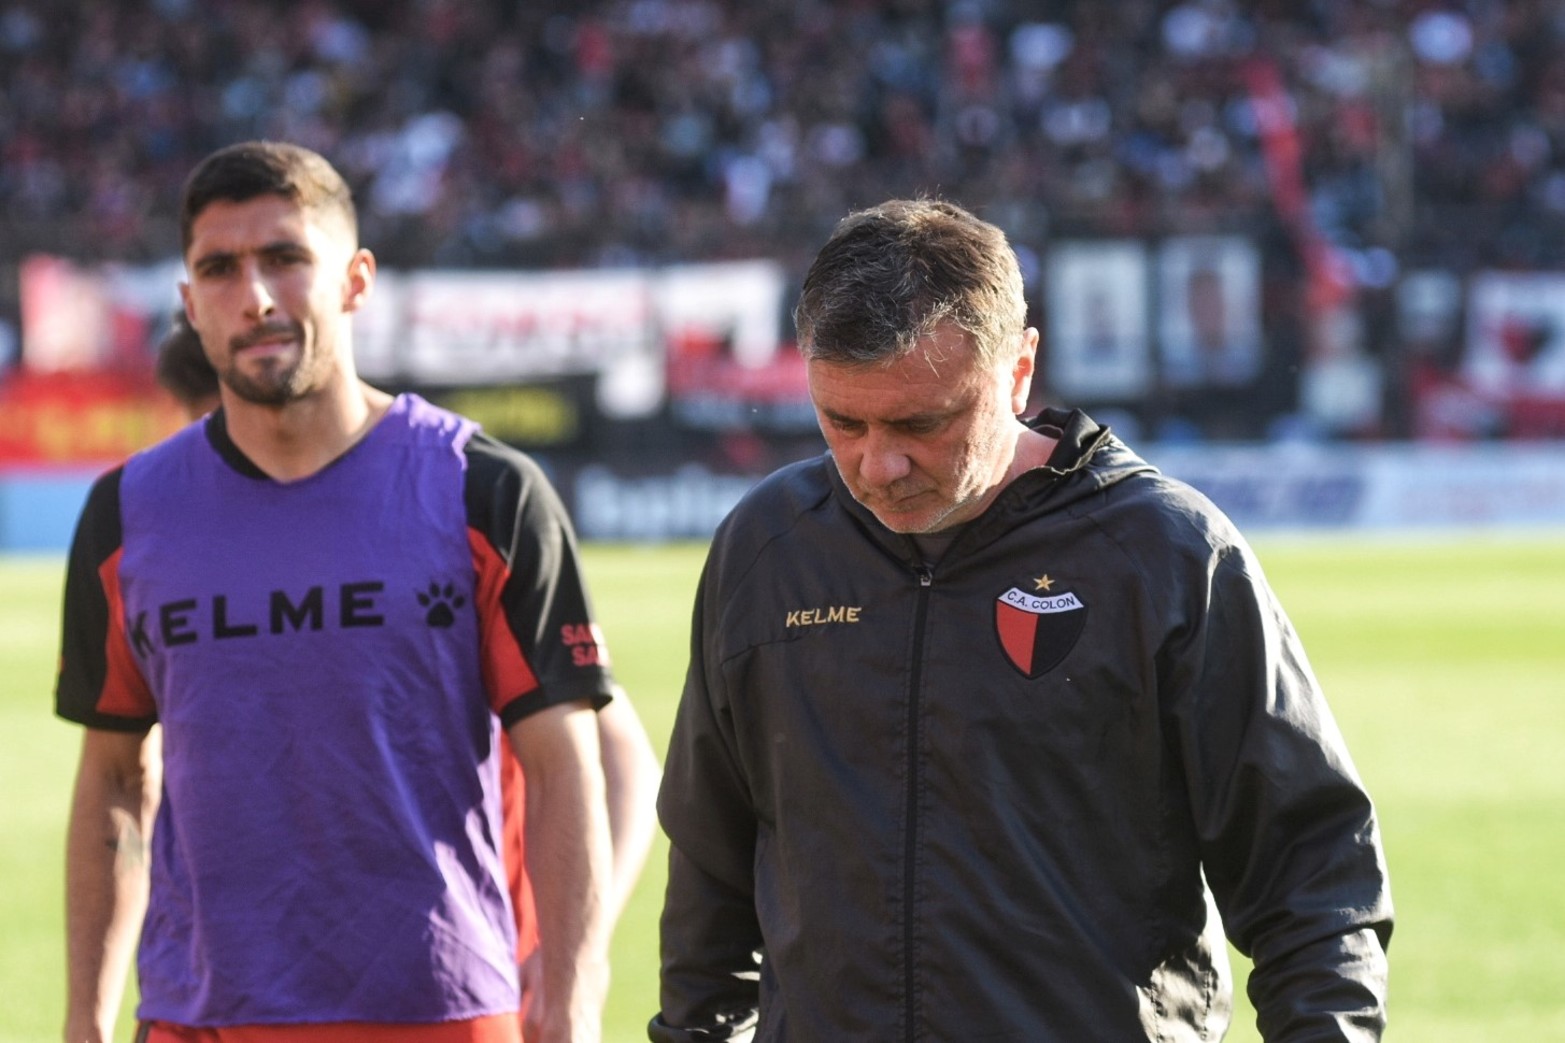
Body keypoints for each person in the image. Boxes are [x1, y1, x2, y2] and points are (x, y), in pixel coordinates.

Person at [650, 198, 1393, 1041]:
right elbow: (710, 872)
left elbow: (1311, 875)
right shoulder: (767, 548)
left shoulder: (1166, 555)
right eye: (840, 421)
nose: (877, 463)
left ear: (1018, 368)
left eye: (922, 423)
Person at [58, 140, 617, 1043]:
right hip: (200, 1018)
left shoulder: (486, 489)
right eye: (221, 269)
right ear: (188, 304)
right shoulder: (125, 514)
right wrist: (83, 1022)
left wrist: (575, 1005)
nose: (257, 297)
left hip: (441, 1010)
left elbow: (567, 763)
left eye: (285, 258)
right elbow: (116, 779)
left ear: (356, 280)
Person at [148, 306, 665, 1034]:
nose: (234, 459)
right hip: (253, 986)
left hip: (471, 971)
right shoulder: (198, 544)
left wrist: (567, 953)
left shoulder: (425, 515)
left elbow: (624, 762)